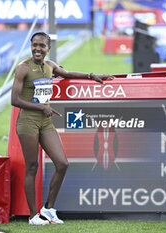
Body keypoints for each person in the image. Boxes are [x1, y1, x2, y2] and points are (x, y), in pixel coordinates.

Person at [11, 31, 114, 226]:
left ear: (48, 49)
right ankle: (33, 216)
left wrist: (92, 76)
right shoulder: (23, 68)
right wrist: (42, 107)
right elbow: (14, 100)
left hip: (45, 121)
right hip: (28, 122)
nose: (37, 49)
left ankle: (48, 209)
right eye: (35, 45)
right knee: (32, 167)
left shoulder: (50, 66)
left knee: (62, 163)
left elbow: (67, 74)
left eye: (42, 46)